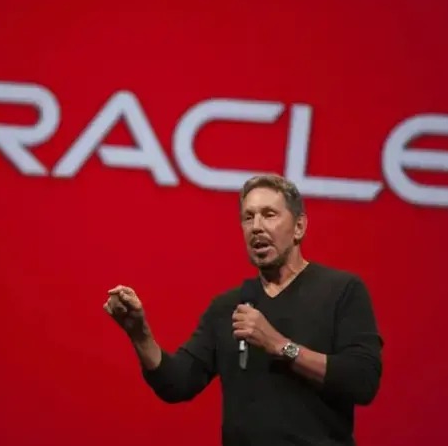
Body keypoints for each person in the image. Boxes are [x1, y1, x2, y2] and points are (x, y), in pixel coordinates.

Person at [103, 174, 383, 446]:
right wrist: (140, 335)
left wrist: (279, 345)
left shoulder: (341, 290)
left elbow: (362, 380)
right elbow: (177, 383)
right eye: (248, 217)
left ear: (299, 227)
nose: (256, 227)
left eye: (269, 215)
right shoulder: (229, 306)